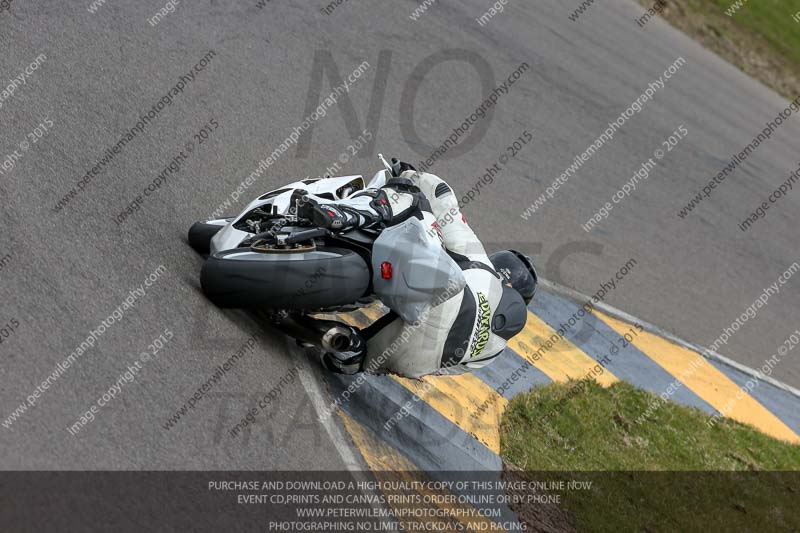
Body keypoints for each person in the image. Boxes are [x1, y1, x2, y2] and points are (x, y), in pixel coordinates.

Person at [293, 159, 537, 378]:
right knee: (361, 357)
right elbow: (444, 370)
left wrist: (409, 175)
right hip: (415, 358)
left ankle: (348, 215)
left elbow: (444, 198)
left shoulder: (482, 266)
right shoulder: (492, 353)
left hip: (436, 297)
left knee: (412, 198)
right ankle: (344, 347)